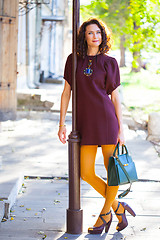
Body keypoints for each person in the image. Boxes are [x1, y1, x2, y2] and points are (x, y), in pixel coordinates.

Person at [58, 18, 136, 234]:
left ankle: (104, 215)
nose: (95, 36)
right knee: (86, 172)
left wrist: (121, 128)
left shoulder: (109, 62)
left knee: (113, 173)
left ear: (103, 36)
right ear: (84, 35)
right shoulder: (73, 60)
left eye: (98, 33)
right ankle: (118, 208)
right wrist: (62, 123)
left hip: (107, 121)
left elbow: (115, 97)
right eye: (90, 33)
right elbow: (66, 93)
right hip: (85, 123)